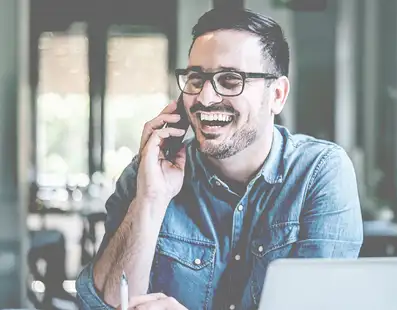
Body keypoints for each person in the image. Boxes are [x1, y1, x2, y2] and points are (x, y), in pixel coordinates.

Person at [76, 7, 363, 310]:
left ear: (277, 95)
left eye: (230, 80)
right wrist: (149, 200)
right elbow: (99, 306)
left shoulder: (319, 173)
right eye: (196, 78)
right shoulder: (149, 173)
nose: (204, 98)